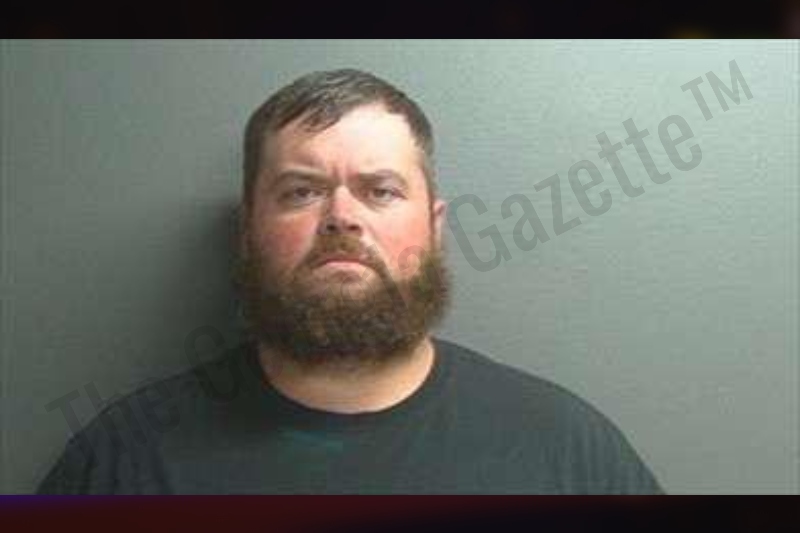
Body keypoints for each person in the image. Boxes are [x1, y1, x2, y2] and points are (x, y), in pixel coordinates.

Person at [36, 69, 662, 494]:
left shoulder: (565, 451)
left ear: (434, 226)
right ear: (248, 231)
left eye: (380, 190)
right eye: (301, 191)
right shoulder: (125, 459)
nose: (341, 216)